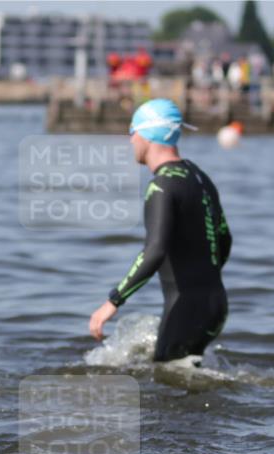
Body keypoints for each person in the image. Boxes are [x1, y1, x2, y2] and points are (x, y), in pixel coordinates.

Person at [89, 99, 232, 365]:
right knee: (189, 387)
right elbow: (223, 238)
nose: (131, 141)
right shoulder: (199, 177)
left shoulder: (162, 186)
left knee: (168, 388)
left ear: (146, 135)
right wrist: (204, 278)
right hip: (216, 303)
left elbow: (155, 251)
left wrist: (113, 302)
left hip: (187, 307)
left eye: (133, 132)